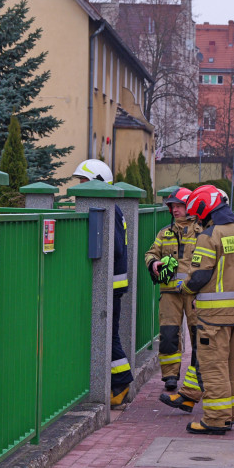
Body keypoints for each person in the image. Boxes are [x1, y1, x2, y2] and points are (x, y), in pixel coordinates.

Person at [175, 185, 234, 434]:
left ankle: (216, 419)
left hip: (214, 317)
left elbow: (199, 276)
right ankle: (229, 414)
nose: (197, 219)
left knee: (213, 368)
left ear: (205, 210)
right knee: (232, 367)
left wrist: (185, 289)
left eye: (198, 214)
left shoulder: (209, 236)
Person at [72, 159, 132, 409]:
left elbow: (114, 247)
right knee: (109, 335)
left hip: (111, 286)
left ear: (97, 182)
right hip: (113, 285)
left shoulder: (111, 210)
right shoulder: (114, 208)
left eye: (83, 181)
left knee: (110, 337)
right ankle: (120, 383)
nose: (79, 185)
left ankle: (121, 383)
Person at [144, 187, 199, 394]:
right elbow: (151, 253)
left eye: (179, 206)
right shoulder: (165, 233)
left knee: (198, 333)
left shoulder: (202, 231)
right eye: (173, 206)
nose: (175, 210)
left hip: (194, 293)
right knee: (168, 334)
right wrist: (153, 263)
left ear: (189, 207)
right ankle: (170, 376)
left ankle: (197, 374)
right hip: (169, 293)